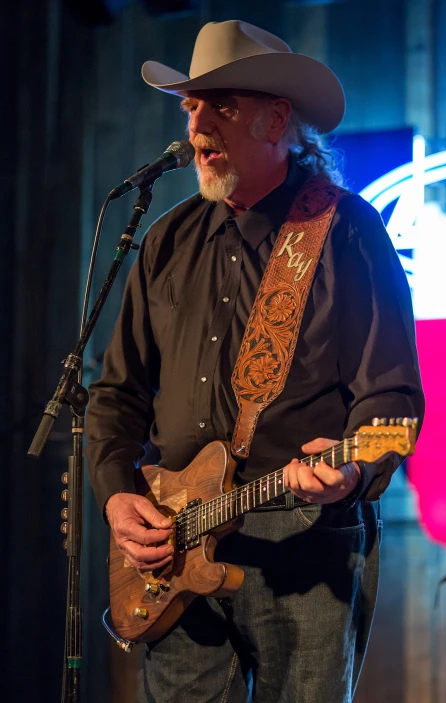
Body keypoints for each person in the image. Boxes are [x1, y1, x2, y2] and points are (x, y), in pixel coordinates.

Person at [85, 19, 424, 703]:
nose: (196, 123)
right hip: (174, 543)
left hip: (303, 540)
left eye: (221, 104)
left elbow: (392, 401)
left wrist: (353, 465)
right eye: (189, 104)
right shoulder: (166, 241)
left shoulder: (346, 229)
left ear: (277, 119)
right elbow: (115, 393)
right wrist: (118, 494)